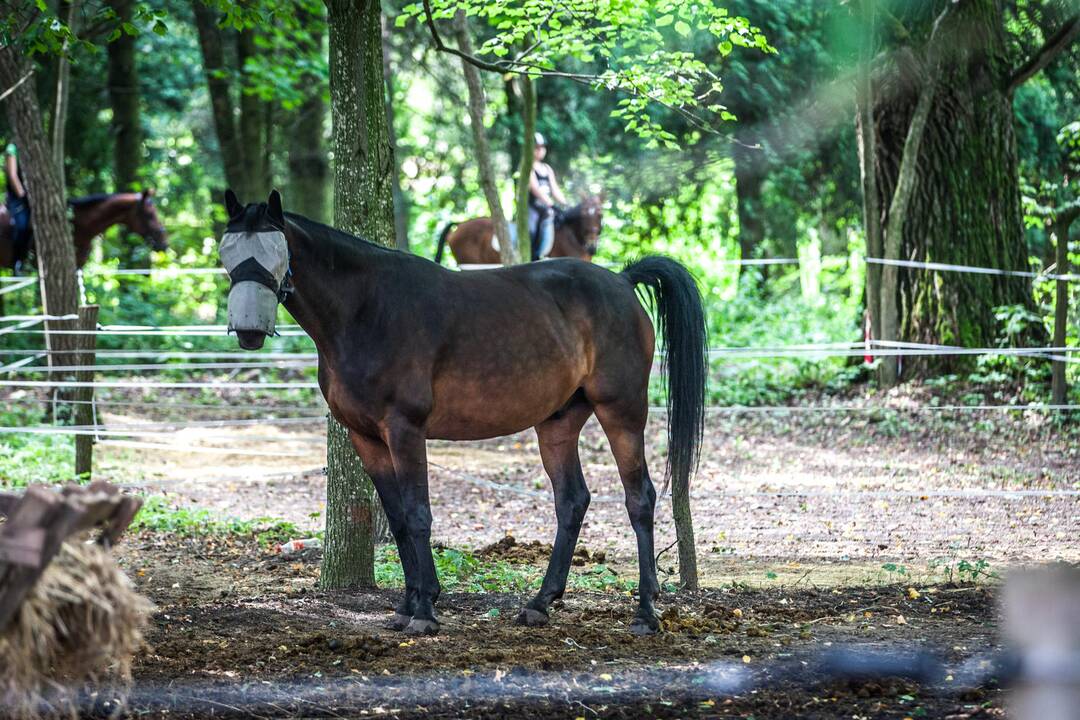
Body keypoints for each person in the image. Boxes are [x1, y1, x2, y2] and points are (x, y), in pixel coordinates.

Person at [528, 133, 568, 260]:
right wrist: (549, 203)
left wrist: (565, 204)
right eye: (537, 147)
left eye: (542, 147)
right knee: (532, 229)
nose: (540, 150)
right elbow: (535, 189)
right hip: (533, 207)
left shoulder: (547, 168)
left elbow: (555, 189)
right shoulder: (527, 167)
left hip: (547, 207)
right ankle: (534, 255)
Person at [4, 142, 30, 274]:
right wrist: (23, 195)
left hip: (33, 198)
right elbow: (12, 176)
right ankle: (17, 262)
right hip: (17, 198)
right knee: (22, 225)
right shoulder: (12, 148)